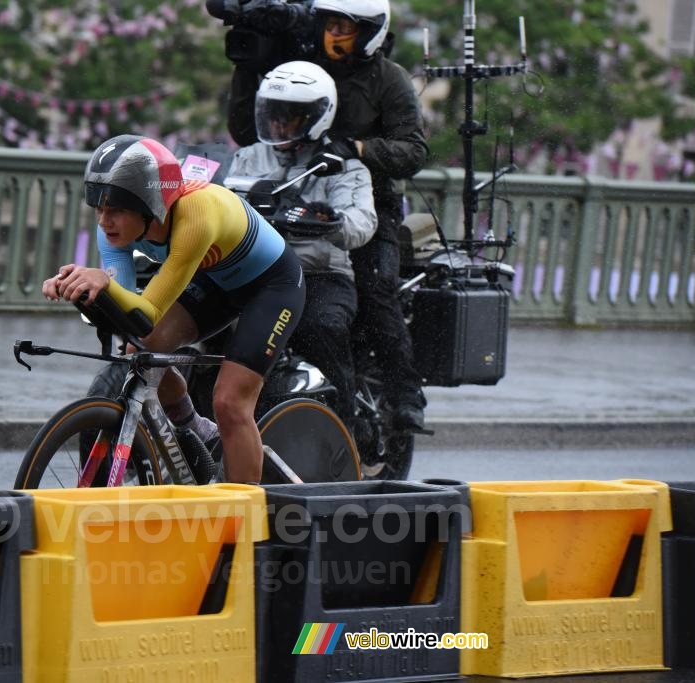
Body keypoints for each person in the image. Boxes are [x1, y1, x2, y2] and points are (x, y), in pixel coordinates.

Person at [42, 134, 305, 483]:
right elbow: (131, 317)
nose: (104, 222)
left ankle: (242, 522)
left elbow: (146, 310)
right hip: (216, 278)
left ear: (150, 205)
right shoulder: (115, 228)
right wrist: (77, 287)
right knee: (141, 348)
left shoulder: (195, 214)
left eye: (116, 210)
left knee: (229, 403)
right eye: (99, 209)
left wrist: (102, 283)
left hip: (271, 286)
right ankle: (191, 425)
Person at [227, 0, 430, 431]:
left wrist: (357, 150)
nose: (333, 35)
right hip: (292, 194)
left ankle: (402, 392)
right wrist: (249, 62)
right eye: (328, 25)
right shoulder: (303, 60)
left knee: (376, 287)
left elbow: (414, 150)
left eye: (345, 27)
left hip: (364, 196)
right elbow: (252, 129)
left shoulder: (389, 80)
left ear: (370, 31)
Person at [225, 60, 376, 426]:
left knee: (320, 327)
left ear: (316, 117)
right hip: (256, 271)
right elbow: (217, 195)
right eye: (271, 114)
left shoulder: (342, 166)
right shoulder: (246, 157)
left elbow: (362, 222)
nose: (277, 123)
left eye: (288, 116)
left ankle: (345, 427)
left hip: (318, 273)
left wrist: (329, 220)